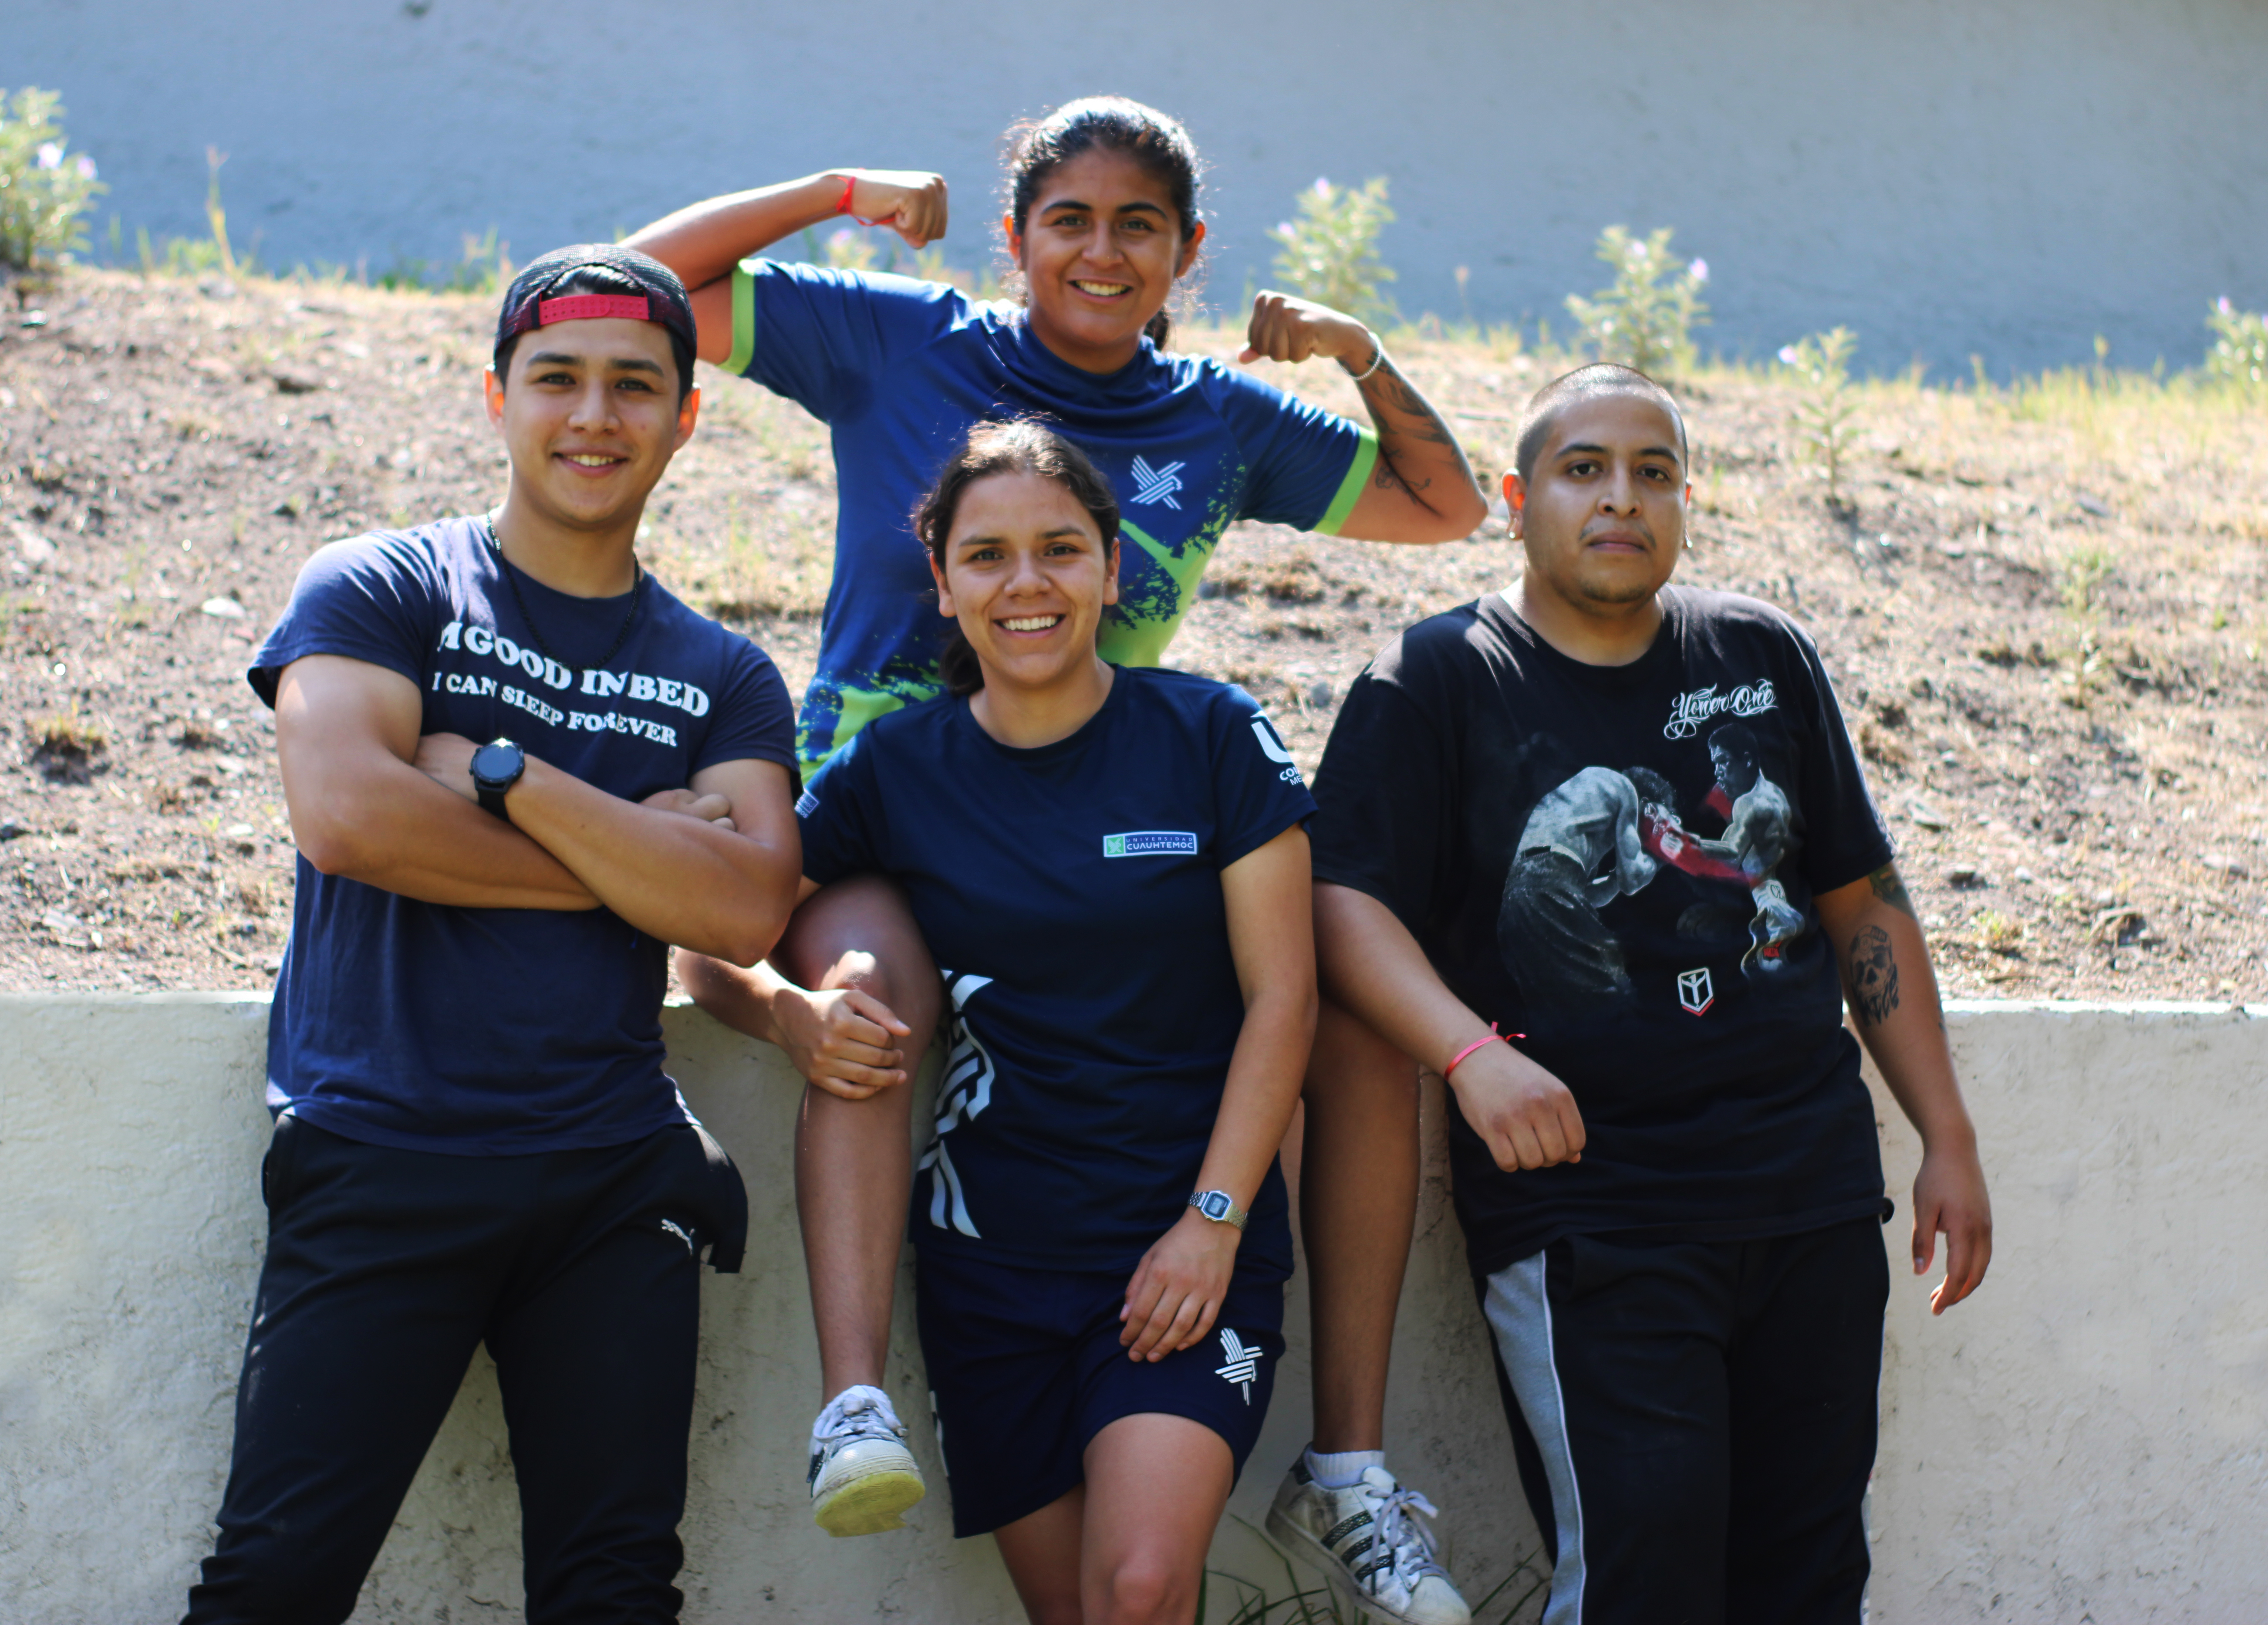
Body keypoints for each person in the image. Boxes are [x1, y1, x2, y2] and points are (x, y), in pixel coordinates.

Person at [630, 94, 1480, 1618]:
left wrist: (1354, 354)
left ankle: (1342, 1459)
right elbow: (626, 289)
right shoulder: (899, 339)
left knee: (1328, 988)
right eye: (1068, 220)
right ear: (1018, 234)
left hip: (1087, 807)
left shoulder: (1217, 423)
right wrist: (835, 188)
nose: (1100, 251)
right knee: (870, 994)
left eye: (1138, 225)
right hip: (883, 809)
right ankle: (854, 1404)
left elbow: (1448, 506)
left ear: (1188, 253)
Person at [1302, 362, 1995, 1623]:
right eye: (1583, 469)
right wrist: (1469, 1056)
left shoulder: (1762, 654)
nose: (1621, 497)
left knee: (1810, 1573)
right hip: (1595, 1211)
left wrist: (1945, 1130)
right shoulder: (1438, 679)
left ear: (1684, 501)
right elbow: (1342, 907)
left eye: (1653, 471)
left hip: (1810, 1191)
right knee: (1644, 1571)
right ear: (1518, 498)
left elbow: (1860, 899)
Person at [182, 245, 803, 1625]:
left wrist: (511, 776)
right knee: (274, 1582)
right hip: (382, 1150)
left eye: (637, 385)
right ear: (496, 397)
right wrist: (641, 859)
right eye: (558, 380)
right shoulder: (384, 584)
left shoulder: (724, 671)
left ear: (686, 417)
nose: (596, 417)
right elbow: (348, 816)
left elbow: (750, 906)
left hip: (612, 1177)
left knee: (615, 1594)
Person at [681, 420, 1316, 1625]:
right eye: (988, 556)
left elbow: (1288, 998)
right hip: (993, 1271)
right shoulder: (895, 769)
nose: (1026, 583)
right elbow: (705, 930)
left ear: (1113, 567)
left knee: (1138, 1587)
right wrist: (787, 1016)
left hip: (1180, 1253)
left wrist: (1212, 1224)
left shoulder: (1213, 736)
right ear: (942, 581)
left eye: (1061, 549)